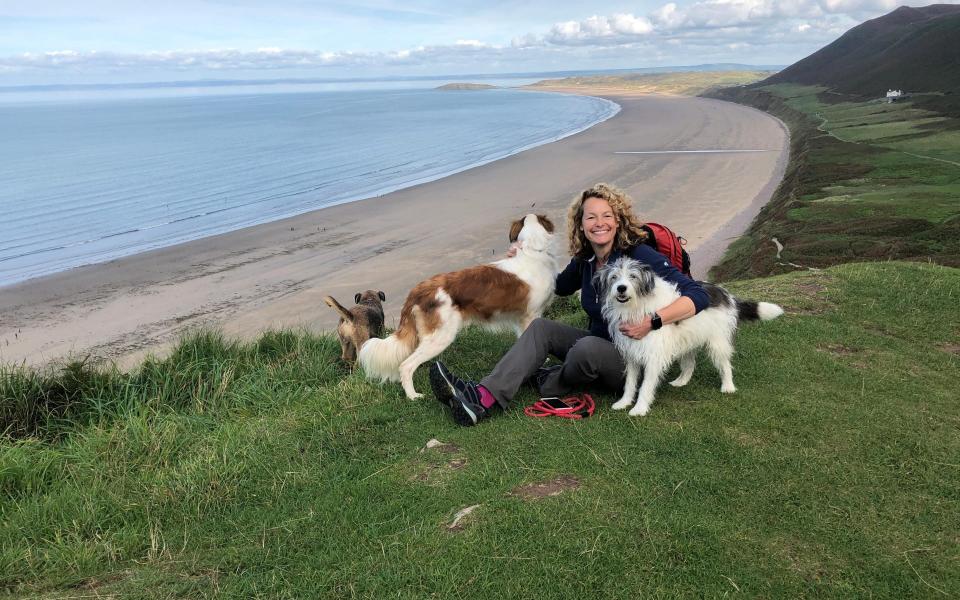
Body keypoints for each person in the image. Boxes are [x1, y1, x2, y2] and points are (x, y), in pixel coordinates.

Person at [429, 183, 710, 426]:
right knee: (540, 328)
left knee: (584, 350)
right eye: (591, 217)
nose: (599, 223)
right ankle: (481, 399)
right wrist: (523, 257)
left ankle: (544, 379)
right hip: (598, 343)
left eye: (606, 216)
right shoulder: (586, 261)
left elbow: (698, 295)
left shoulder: (638, 254)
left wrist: (653, 321)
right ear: (581, 225)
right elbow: (558, 286)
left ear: (618, 220)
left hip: (634, 355)